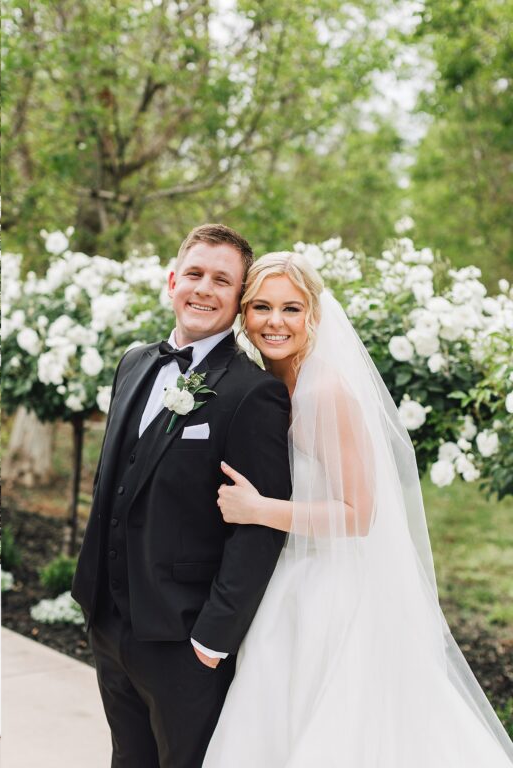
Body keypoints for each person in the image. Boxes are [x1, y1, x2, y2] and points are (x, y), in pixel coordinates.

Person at [203, 251, 513, 766]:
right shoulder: (268, 385)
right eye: (261, 307)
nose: (275, 322)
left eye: (291, 309)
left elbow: (358, 513)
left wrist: (260, 509)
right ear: (243, 315)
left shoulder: (327, 393)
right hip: (285, 579)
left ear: (314, 317)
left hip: (330, 590)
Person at [71, 223, 293, 768]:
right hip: (110, 622)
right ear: (172, 281)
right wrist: (94, 604)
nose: (203, 288)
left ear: (239, 301)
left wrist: (213, 640)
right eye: (194, 273)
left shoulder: (252, 392)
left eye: (222, 280)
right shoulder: (134, 362)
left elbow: (260, 526)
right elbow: (113, 481)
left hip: (185, 637)